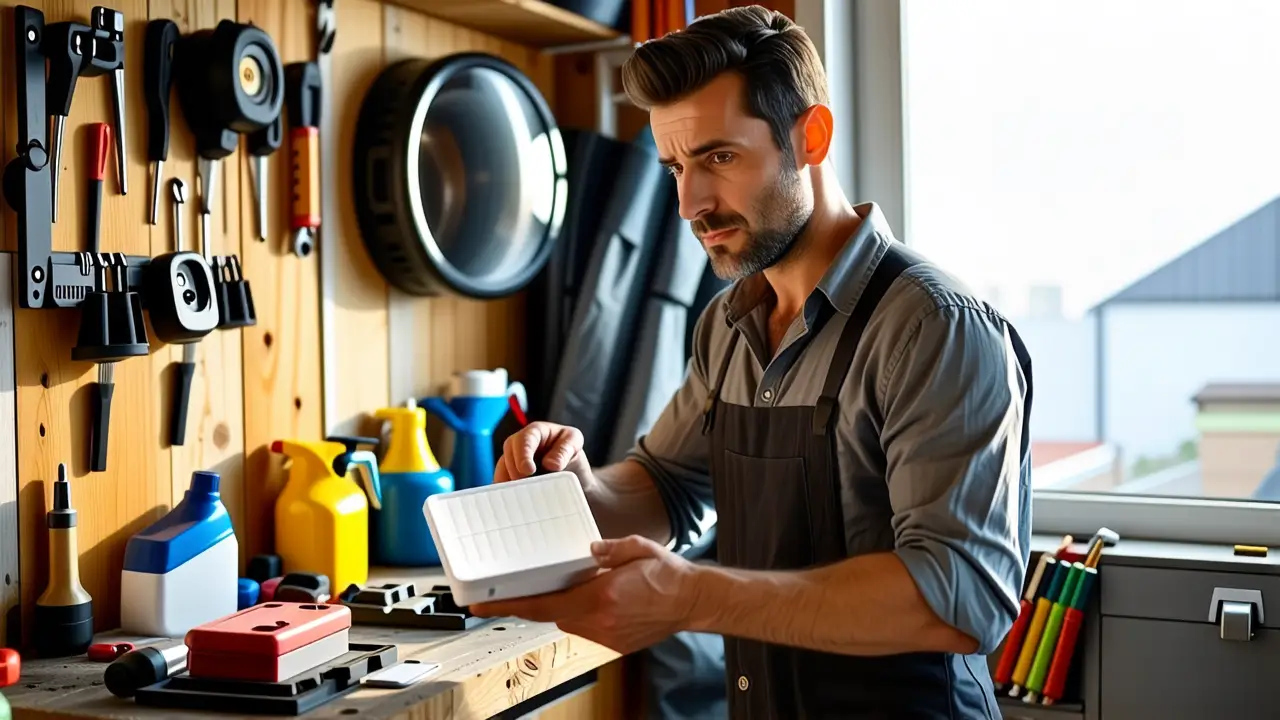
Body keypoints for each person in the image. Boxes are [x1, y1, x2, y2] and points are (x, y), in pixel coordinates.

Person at [471, 6, 1034, 718]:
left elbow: (961, 597)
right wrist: (575, 485)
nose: (690, 203)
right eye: (675, 167)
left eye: (719, 158)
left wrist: (692, 595)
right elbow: (670, 492)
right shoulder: (727, 326)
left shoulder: (935, 329)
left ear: (812, 136)